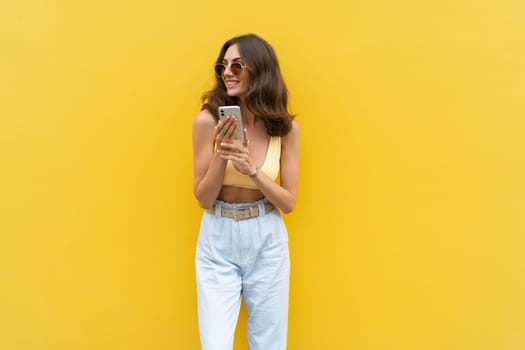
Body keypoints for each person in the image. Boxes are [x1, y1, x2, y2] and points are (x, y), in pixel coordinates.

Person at [192, 33, 300, 350]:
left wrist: (251, 169)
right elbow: (203, 199)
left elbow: (289, 202)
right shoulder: (206, 121)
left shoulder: (285, 128)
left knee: (269, 343)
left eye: (237, 66)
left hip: (267, 237)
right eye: (223, 66)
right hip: (218, 235)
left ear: (259, 69)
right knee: (215, 344)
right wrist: (221, 154)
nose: (227, 73)